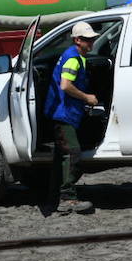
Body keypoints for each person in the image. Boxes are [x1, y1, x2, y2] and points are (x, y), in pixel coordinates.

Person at [46, 21, 100, 214]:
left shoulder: (75, 56)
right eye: (88, 40)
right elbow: (65, 85)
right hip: (64, 114)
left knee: (61, 157)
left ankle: (53, 196)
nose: (91, 42)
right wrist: (87, 97)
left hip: (65, 113)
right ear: (77, 40)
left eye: (92, 39)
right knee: (73, 154)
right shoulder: (72, 59)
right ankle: (67, 198)